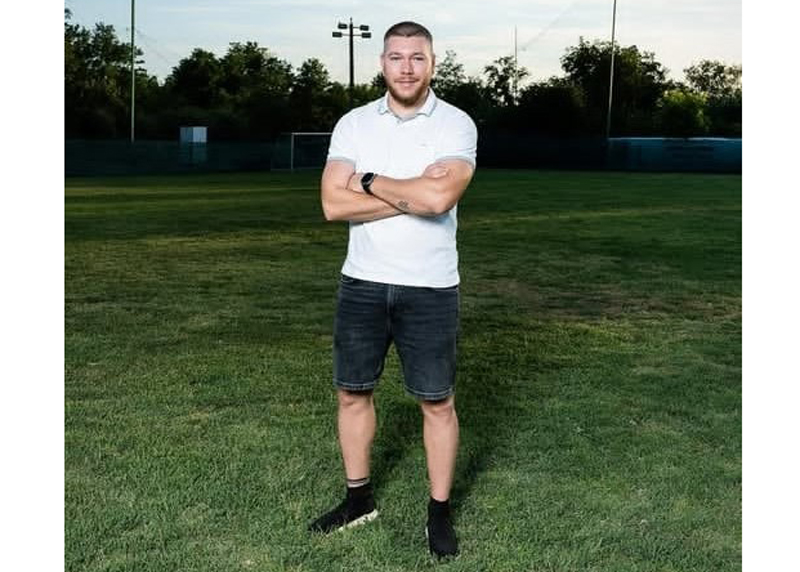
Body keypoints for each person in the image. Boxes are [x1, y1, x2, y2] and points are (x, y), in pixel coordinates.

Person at [308, 21, 477, 559]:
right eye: (397, 57)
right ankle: (358, 500)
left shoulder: (456, 124)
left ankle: (439, 512)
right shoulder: (354, 124)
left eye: (417, 57)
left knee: (437, 402)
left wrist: (367, 181)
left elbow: (439, 200)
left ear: (433, 63)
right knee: (351, 393)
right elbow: (331, 205)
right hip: (362, 282)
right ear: (382, 62)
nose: (407, 67)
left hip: (430, 287)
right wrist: (412, 194)